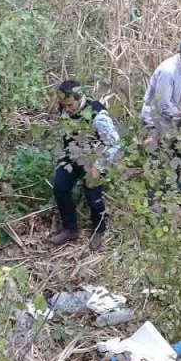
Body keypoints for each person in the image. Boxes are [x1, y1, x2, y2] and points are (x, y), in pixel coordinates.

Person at [49, 80, 121, 250]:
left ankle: (99, 228)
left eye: (70, 105)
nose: (66, 109)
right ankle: (70, 228)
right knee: (60, 186)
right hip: (72, 155)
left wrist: (98, 167)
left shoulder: (98, 116)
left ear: (79, 97)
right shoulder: (65, 106)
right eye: (63, 105)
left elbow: (115, 144)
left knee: (92, 194)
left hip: (94, 159)